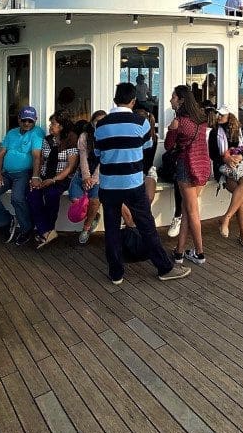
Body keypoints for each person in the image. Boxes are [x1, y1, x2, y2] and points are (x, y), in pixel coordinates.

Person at [94, 82, 191, 285]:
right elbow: (147, 147)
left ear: (114, 100)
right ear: (133, 101)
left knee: (111, 229)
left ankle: (116, 273)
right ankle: (164, 268)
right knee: (146, 226)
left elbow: (97, 153)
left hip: (109, 185)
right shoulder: (141, 123)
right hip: (133, 183)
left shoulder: (100, 125)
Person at [0, 106, 44, 244]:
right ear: (19, 119)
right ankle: (6, 221)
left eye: (30, 121)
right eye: (24, 120)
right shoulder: (11, 133)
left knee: (17, 198)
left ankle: (26, 229)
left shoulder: (37, 133)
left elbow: (37, 156)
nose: (26, 123)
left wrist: (36, 176)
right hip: (6, 173)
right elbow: (1, 154)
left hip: (24, 174)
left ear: (35, 120)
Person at [166, 85, 212, 265]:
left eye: (173, 97)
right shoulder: (201, 120)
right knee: (186, 209)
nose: (171, 100)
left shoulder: (178, 122)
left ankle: (200, 253)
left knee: (192, 211)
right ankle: (179, 252)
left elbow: (170, 146)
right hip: (201, 165)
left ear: (181, 100)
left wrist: (171, 130)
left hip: (186, 166)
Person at [28, 111, 78, 249]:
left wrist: (54, 179)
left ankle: (48, 230)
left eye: (53, 124)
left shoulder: (71, 139)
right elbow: (41, 160)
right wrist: (36, 177)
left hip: (61, 178)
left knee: (51, 195)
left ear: (62, 126)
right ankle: (45, 231)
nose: (50, 126)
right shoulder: (48, 139)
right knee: (32, 195)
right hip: (45, 176)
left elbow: (70, 166)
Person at [209, 104, 243, 250]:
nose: (219, 117)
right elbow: (212, 155)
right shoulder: (214, 132)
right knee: (240, 195)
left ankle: (226, 218)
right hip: (224, 170)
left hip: (240, 167)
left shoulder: (241, 131)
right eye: (218, 114)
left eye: (222, 115)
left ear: (230, 116)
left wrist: (240, 156)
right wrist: (226, 159)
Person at [71, 111, 106, 245]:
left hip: (99, 175)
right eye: (97, 121)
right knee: (76, 201)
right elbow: (83, 158)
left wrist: (94, 179)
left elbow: (104, 161)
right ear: (92, 122)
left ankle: (86, 227)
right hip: (82, 174)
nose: (100, 124)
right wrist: (86, 177)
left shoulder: (108, 138)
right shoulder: (85, 137)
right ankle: (94, 216)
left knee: (94, 201)